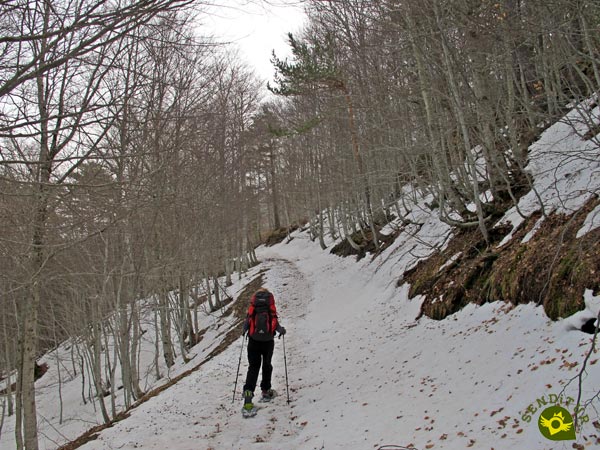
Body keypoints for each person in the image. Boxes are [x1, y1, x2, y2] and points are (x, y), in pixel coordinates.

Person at [242, 288, 286, 412]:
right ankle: (266, 391)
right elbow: (276, 324)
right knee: (267, 365)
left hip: (253, 341)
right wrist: (282, 330)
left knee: (253, 367)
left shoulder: (253, 309)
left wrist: (245, 330)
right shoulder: (270, 309)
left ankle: (248, 397)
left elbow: (246, 323)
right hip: (267, 341)